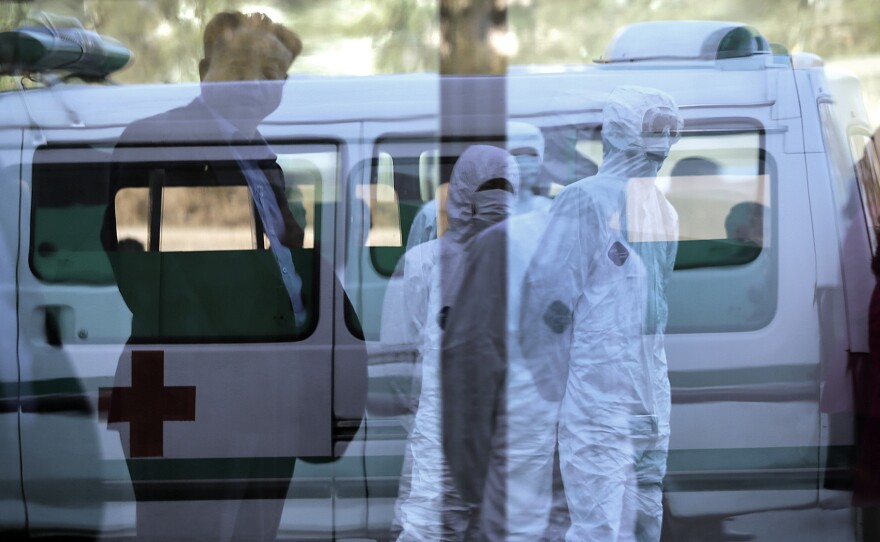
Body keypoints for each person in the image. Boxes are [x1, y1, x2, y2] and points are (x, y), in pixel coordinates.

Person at [100, 12, 367, 541]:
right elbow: (145, 272)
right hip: (190, 399)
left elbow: (283, 271)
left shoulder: (262, 160)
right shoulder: (159, 140)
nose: (255, 83)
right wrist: (246, 370)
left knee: (253, 532)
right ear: (204, 70)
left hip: (263, 398)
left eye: (272, 72)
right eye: (240, 64)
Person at [520, 85, 682, 541]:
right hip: (628, 396)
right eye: (657, 130)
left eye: (669, 132)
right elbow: (552, 303)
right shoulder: (592, 201)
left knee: (618, 526)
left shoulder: (652, 209)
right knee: (622, 525)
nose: (665, 143)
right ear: (626, 132)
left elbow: (548, 308)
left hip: (617, 398)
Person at [394, 145, 520, 541]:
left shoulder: (525, 262)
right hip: (440, 426)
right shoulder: (424, 264)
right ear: (464, 192)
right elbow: (401, 358)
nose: (498, 199)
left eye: (506, 188)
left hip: (505, 428)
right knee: (430, 525)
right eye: (490, 187)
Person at [403, 121, 547, 250]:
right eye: (517, 154)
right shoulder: (434, 211)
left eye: (533, 155)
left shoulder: (547, 212)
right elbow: (415, 267)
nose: (527, 163)